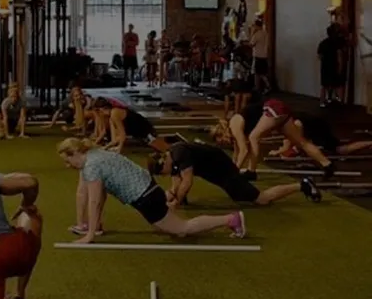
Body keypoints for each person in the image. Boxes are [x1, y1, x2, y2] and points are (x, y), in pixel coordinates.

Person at [57, 138, 246, 242]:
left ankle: (231, 219)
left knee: (182, 229)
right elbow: (101, 196)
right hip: (150, 188)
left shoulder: (91, 166)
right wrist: (95, 225)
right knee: (167, 228)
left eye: (67, 160)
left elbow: (95, 201)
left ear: (75, 153)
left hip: (145, 198)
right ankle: (227, 219)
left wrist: (90, 234)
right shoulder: (96, 153)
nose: (68, 165)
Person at [146, 142, 321, 207]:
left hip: (226, 173)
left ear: (163, 163)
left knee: (262, 199)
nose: (164, 175)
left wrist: (176, 202)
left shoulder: (180, 154)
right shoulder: (173, 155)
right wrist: (173, 195)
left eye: (161, 173)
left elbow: (187, 182)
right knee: (241, 197)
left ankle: (303, 185)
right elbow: (177, 182)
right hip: (219, 171)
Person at [246, 99, 335, 179]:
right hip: (281, 110)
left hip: (274, 108)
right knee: (301, 142)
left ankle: (251, 171)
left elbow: (244, 149)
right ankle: (327, 164)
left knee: (253, 137)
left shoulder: (240, 120)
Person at [268, 114, 372, 158]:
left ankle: (369, 143)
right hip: (312, 127)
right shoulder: (286, 124)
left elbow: (290, 144)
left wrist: (279, 152)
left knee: (341, 150)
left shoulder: (292, 126)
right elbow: (288, 143)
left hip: (318, 128)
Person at [91, 97, 170, 152]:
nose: (99, 114)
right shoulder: (111, 117)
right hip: (138, 133)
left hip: (144, 129)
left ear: (102, 109)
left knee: (164, 148)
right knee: (158, 147)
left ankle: (174, 151)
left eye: (98, 111)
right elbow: (114, 139)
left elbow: (123, 134)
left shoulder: (115, 113)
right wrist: (105, 147)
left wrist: (119, 149)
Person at [318, 26, 343, 107]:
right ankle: (339, 101)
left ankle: (322, 102)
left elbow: (319, 56)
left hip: (325, 67)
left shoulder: (322, 43)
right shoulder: (337, 43)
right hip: (334, 66)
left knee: (324, 85)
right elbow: (339, 56)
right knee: (338, 85)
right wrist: (340, 67)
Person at [250, 20, 271, 93]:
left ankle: (266, 86)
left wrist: (252, 33)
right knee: (262, 72)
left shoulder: (257, 34)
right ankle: (258, 87)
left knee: (258, 73)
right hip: (264, 56)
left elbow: (251, 44)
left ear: (256, 26)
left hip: (258, 56)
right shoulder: (265, 33)